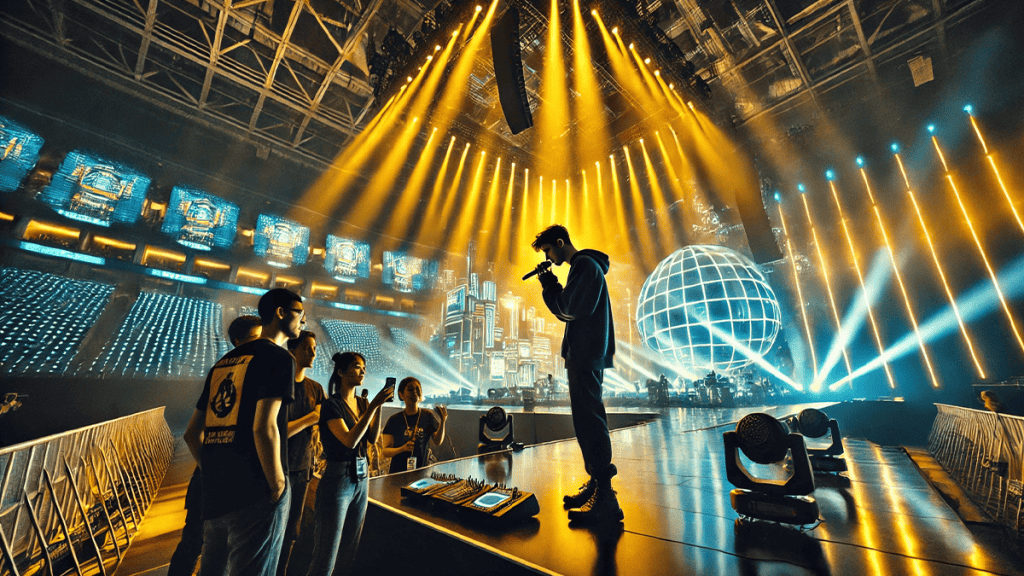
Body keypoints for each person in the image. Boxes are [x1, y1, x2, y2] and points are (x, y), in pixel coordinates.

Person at [183, 289, 302, 576]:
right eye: (300, 313)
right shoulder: (280, 358)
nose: (304, 321)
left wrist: (213, 468)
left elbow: (191, 434)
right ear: (280, 313)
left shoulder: (224, 362)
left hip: (216, 492)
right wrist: (277, 486)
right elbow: (264, 427)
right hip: (255, 494)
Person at [531, 224, 622, 525]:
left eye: (548, 251)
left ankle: (606, 499)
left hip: (585, 353)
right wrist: (553, 285)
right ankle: (597, 485)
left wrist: (548, 285)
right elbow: (570, 308)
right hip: (586, 353)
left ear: (559, 242)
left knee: (589, 419)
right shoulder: (585, 266)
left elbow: (568, 307)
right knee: (587, 418)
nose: (549, 257)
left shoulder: (584, 264)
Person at [168, 314, 262, 576]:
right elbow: (190, 434)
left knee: (200, 546)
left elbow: (191, 434)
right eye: (256, 339)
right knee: (199, 546)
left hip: (211, 478)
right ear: (237, 341)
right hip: (216, 482)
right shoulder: (234, 375)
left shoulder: (222, 372)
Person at [304, 352, 393, 576]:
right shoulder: (331, 405)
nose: (362, 370)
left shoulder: (362, 403)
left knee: (349, 552)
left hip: (362, 479)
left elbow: (372, 439)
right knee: (326, 555)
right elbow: (349, 440)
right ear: (341, 372)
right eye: (356, 366)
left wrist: (378, 406)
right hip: (338, 479)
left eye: (364, 367)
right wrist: (373, 406)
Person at [276, 330, 326, 576]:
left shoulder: (316, 388)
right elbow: (277, 431)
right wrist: (312, 418)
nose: (314, 352)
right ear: (293, 350)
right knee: (271, 530)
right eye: (308, 348)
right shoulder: (277, 384)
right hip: (275, 468)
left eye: (315, 348)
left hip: (302, 469)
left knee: (291, 532)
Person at [381, 377, 448, 474]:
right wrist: (402, 449)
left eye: (418, 389)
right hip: (398, 473)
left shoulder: (427, 416)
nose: (415, 392)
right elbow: (385, 451)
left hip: (421, 471)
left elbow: (438, 441)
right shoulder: (394, 420)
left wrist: (443, 421)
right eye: (410, 389)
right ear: (401, 395)